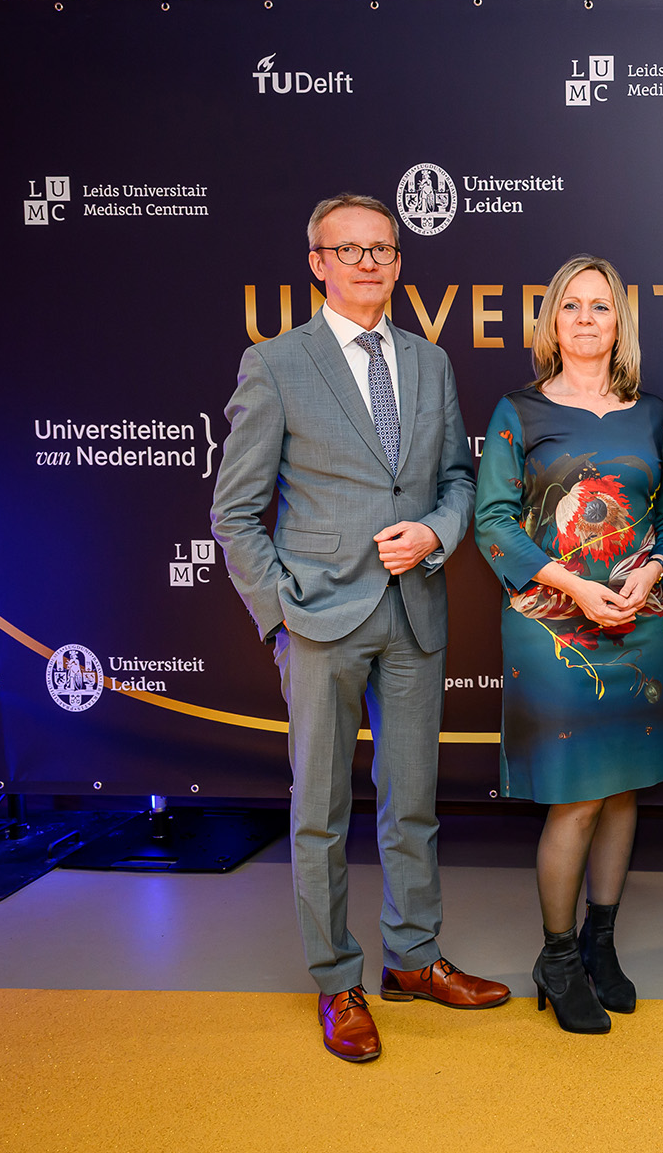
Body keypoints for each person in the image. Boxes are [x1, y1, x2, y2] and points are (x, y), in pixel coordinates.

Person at [211, 193, 507, 1065]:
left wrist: (436, 535)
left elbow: (458, 480)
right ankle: (337, 980)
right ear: (318, 264)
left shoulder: (429, 361)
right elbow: (234, 512)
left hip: (415, 610)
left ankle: (412, 958)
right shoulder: (275, 364)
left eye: (382, 249)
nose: (368, 262)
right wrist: (280, 613)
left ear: (399, 262)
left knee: (412, 801)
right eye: (349, 250)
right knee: (321, 810)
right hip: (320, 620)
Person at [474, 254, 663, 1035]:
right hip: (552, 626)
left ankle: (602, 944)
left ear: (619, 323)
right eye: (572, 306)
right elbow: (493, 522)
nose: (587, 319)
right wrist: (573, 585)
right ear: (552, 323)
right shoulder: (518, 411)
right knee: (578, 796)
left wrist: (654, 567)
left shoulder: (653, 413)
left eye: (601, 306)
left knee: (623, 789)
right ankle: (557, 959)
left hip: (638, 620)